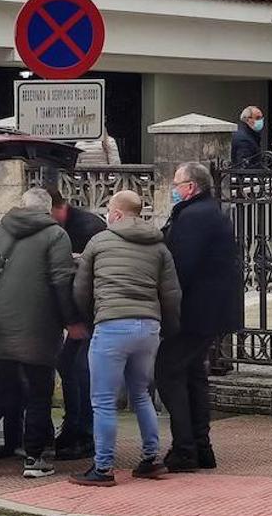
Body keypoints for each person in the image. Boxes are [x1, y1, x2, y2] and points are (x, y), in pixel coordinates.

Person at [69, 190, 182, 487]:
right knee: (141, 393)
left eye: (109, 209)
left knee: (103, 401)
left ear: (116, 213)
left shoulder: (99, 242)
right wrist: (167, 328)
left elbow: (81, 289)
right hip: (148, 327)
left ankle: (103, 468)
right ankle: (150, 459)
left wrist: (91, 317)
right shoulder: (159, 246)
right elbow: (171, 294)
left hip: (112, 325)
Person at [0, 188, 86, 479]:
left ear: (22, 206)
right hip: (38, 331)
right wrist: (71, 321)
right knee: (39, 394)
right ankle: (34, 458)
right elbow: (61, 281)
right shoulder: (56, 235)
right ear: (48, 210)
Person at [156, 162, 241, 472]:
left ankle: (185, 448)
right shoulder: (208, 212)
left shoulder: (193, 217)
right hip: (209, 310)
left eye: (177, 184)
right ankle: (201, 447)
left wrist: (166, 304)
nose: (174, 189)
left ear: (190, 187)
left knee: (167, 371)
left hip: (194, 311)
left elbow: (181, 267)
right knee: (193, 374)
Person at [46, 185, 106, 460]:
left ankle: (84, 434)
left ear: (58, 208)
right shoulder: (68, 227)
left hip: (90, 314)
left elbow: (85, 278)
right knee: (69, 365)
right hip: (80, 314)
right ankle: (74, 427)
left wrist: (75, 319)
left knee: (82, 371)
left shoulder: (87, 228)